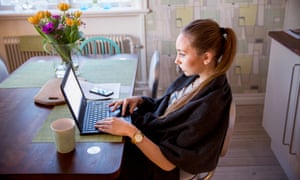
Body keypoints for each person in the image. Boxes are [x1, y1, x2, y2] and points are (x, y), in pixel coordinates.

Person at [95, 19, 237, 179]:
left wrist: (131, 132)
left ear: (206, 57)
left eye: (182, 54)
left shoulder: (209, 106)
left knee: (105, 161)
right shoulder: (197, 77)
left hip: (162, 165)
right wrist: (141, 100)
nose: (177, 60)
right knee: (105, 141)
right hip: (155, 138)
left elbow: (168, 164)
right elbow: (169, 108)